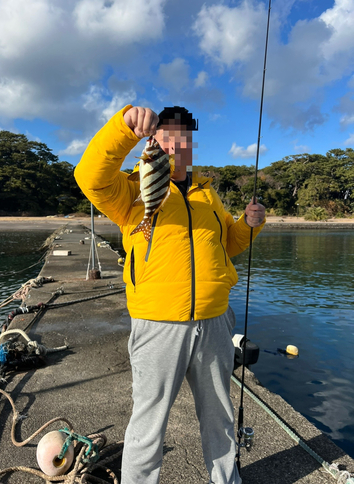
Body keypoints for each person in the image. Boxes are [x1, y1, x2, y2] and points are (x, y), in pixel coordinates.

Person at [74, 105, 266, 484]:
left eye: (185, 138)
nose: (178, 145)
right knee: (149, 422)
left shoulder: (207, 196)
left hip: (214, 320)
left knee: (220, 416)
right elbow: (90, 178)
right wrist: (123, 128)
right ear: (153, 141)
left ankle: (227, 480)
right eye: (169, 136)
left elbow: (228, 243)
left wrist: (248, 224)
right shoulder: (130, 190)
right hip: (159, 322)